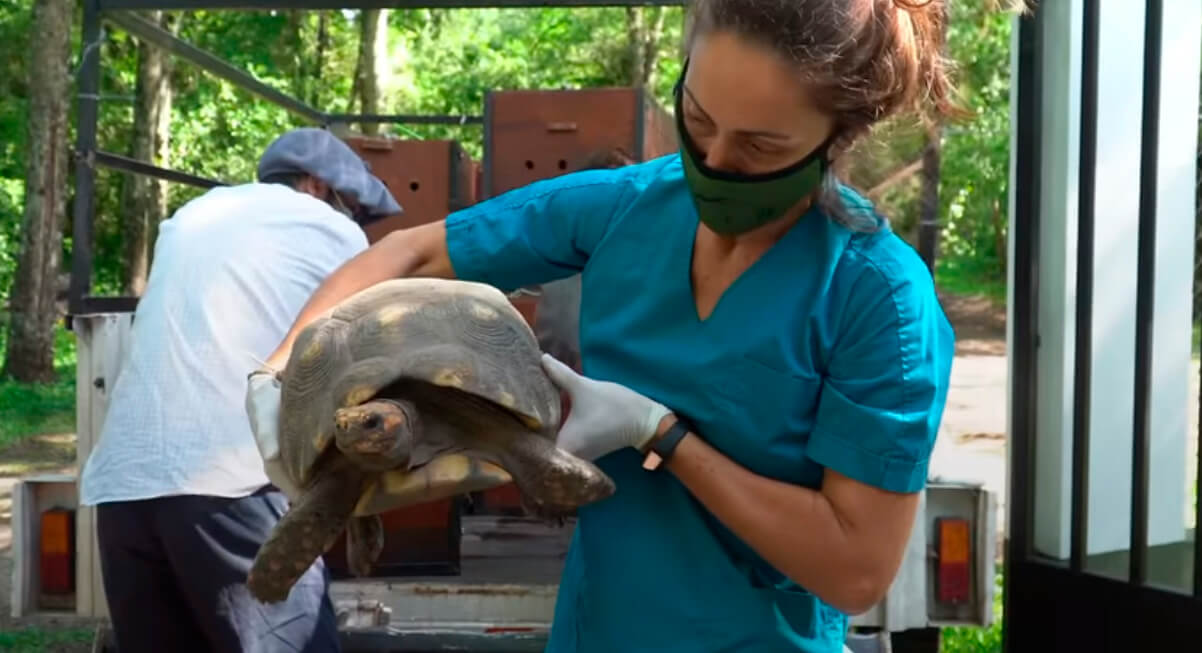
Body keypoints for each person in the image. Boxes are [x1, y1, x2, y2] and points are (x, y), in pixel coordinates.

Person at [247, 0, 962, 650]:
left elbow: (855, 568)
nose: (712, 162)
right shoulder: (633, 207)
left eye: (759, 148)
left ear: (836, 135)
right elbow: (412, 250)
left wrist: (661, 433)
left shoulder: (879, 298)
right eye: (700, 119)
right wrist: (278, 371)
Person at [79, 127, 401, 653]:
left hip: (125, 488)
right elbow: (369, 359)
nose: (356, 222)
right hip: (232, 485)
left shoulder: (192, 217)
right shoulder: (330, 229)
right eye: (356, 208)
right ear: (318, 186)